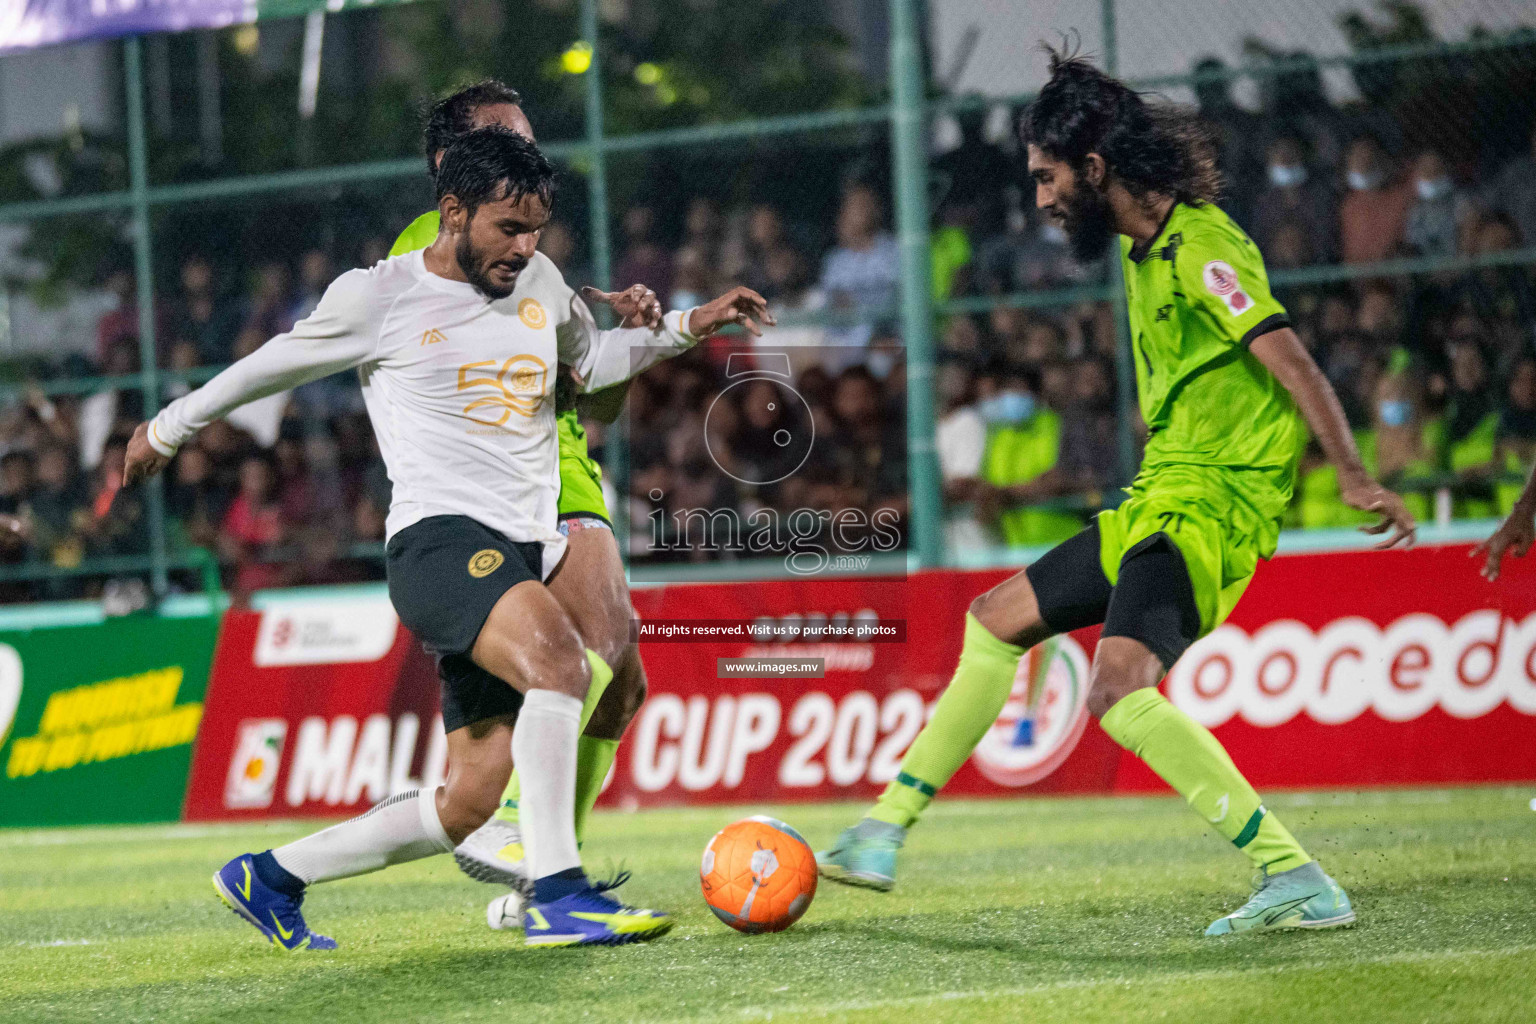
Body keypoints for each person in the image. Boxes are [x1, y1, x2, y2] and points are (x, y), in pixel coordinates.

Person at [124, 127, 772, 949]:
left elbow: (596, 361)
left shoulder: (539, 282)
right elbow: (268, 365)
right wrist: (167, 430)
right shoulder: (378, 296)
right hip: (438, 543)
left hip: (522, 546)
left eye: (536, 228)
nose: (524, 246)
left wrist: (689, 324)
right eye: (508, 227)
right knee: (563, 663)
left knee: (467, 803)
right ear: (454, 210)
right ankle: (560, 894)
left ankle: (271, 875)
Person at [817, 49, 1415, 936]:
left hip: (1210, 506)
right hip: (1161, 495)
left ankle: (1295, 874)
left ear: (1096, 169)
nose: (1041, 198)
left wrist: (1355, 471)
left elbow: (1292, 359)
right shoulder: (1142, 249)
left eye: (1048, 177)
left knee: (1117, 692)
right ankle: (880, 833)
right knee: (993, 618)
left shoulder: (1202, 242)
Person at [391, 81, 660, 913]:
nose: (529, 155)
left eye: (530, 139)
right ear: (452, 167)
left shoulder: (528, 254)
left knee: (621, 687)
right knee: (598, 646)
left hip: (565, 462)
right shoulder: (434, 244)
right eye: (507, 139)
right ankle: (525, 845)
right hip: (525, 486)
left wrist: (621, 341)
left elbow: (593, 393)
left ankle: (543, 870)